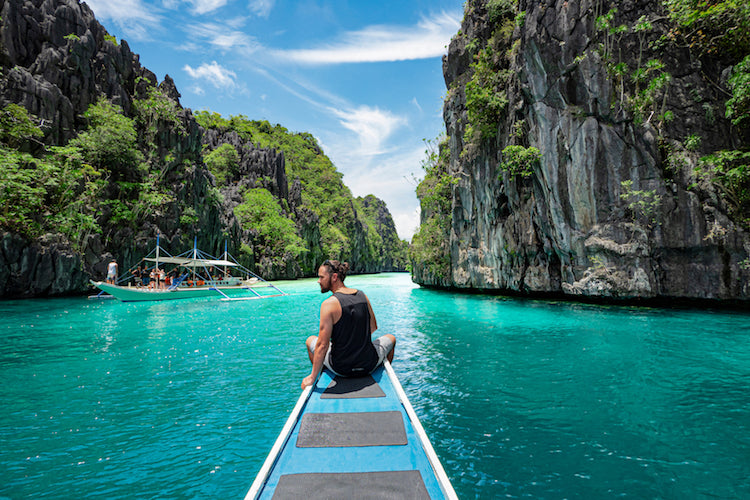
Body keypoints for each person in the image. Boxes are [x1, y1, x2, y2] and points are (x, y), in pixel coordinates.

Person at [302, 260, 396, 389]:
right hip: (368, 365)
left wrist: (311, 378)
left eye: (321, 277)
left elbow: (322, 345)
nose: (318, 281)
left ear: (334, 277)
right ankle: (381, 373)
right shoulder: (362, 295)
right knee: (391, 338)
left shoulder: (328, 304)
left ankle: (317, 374)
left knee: (310, 341)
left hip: (341, 368)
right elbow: (372, 328)